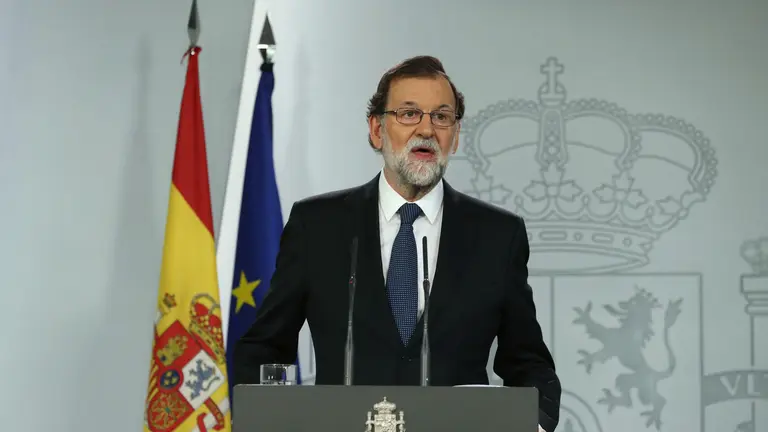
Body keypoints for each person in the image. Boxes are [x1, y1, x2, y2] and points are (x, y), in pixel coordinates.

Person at [232, 55, 561, 432]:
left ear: (455, 137)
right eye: (408, 114)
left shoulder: (498, 235)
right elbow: (263, 348)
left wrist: (533, 424)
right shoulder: (318, 226)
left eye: (441, 117)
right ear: (376, 129)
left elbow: (529, 363)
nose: (426, 129)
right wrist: (263, 416)